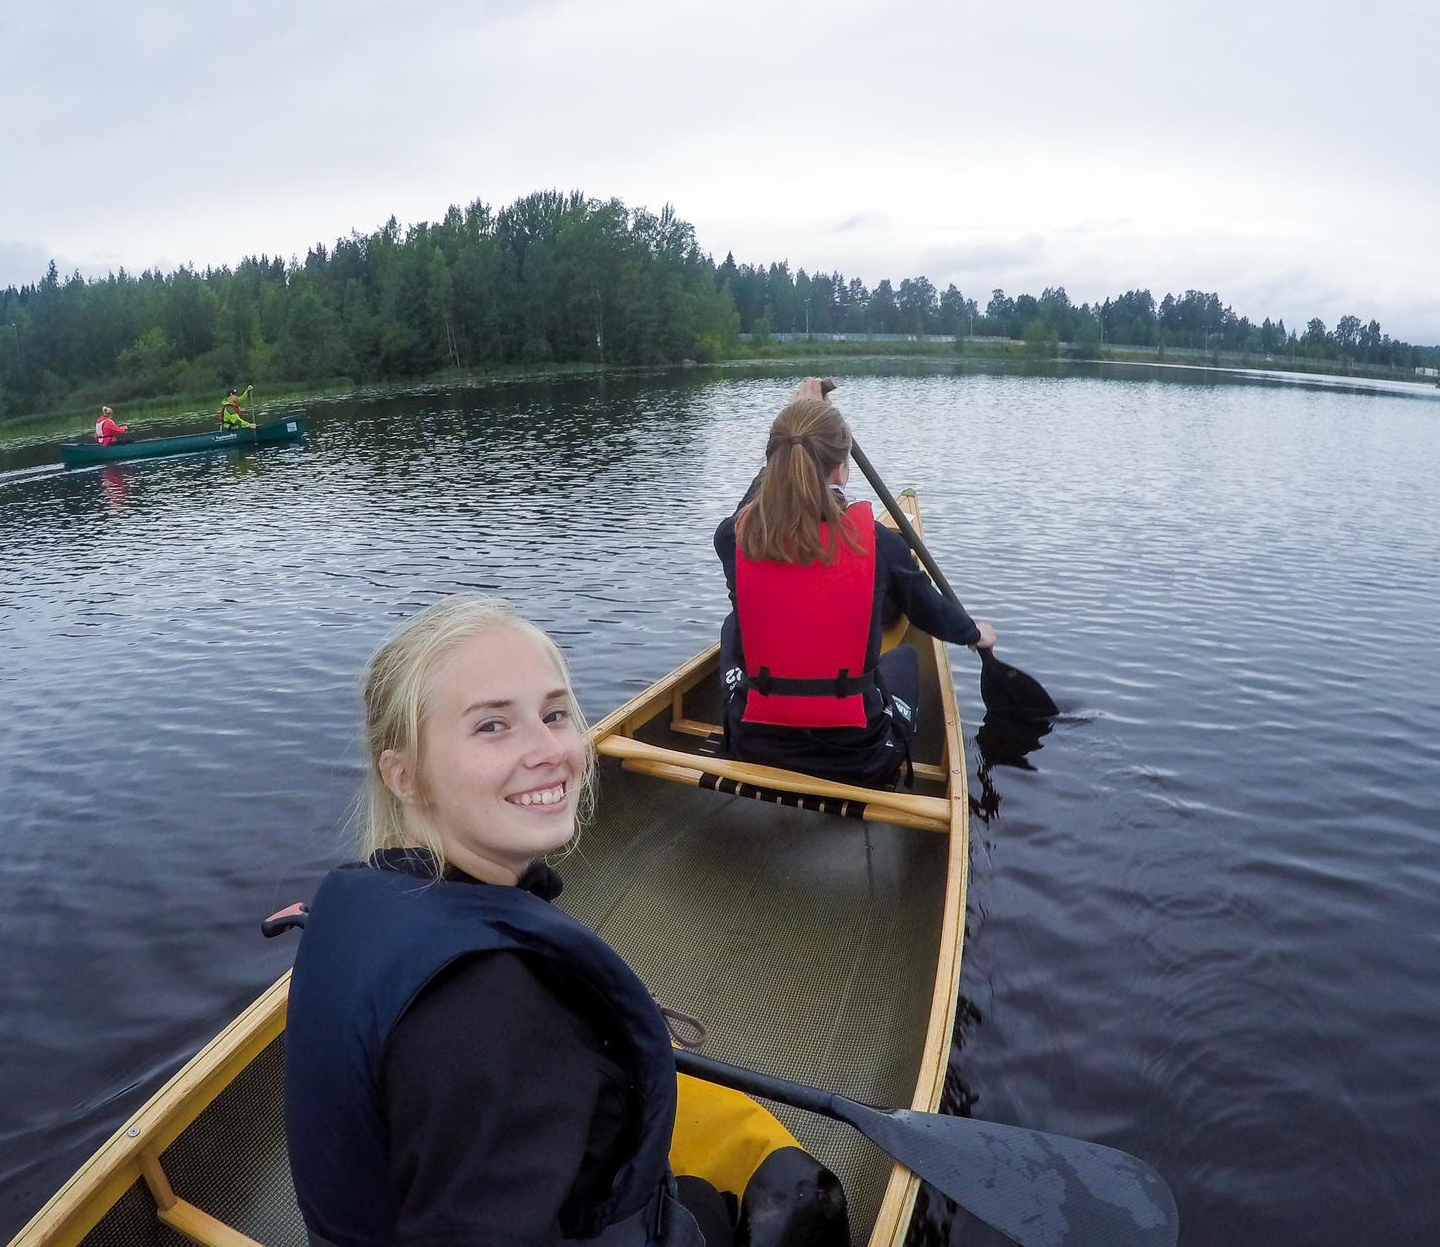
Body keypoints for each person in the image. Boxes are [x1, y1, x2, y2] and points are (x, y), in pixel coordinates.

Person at [284, 595, 847, 1247]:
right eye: (493, 726)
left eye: (554, 713)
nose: (551, 749)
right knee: (806, 1200)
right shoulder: (492, 1017)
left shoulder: (364, 900)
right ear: (405, 776)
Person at [714, 380, 996, 787]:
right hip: (859, 757)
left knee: (731, 625)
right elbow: (928, 612)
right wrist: (974, 633)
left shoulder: (734, 537)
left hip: (752, 743)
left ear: (771, 466)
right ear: (843, 469)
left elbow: (751, 513)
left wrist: (795, 432)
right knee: (903, 660)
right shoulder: (883, 545)